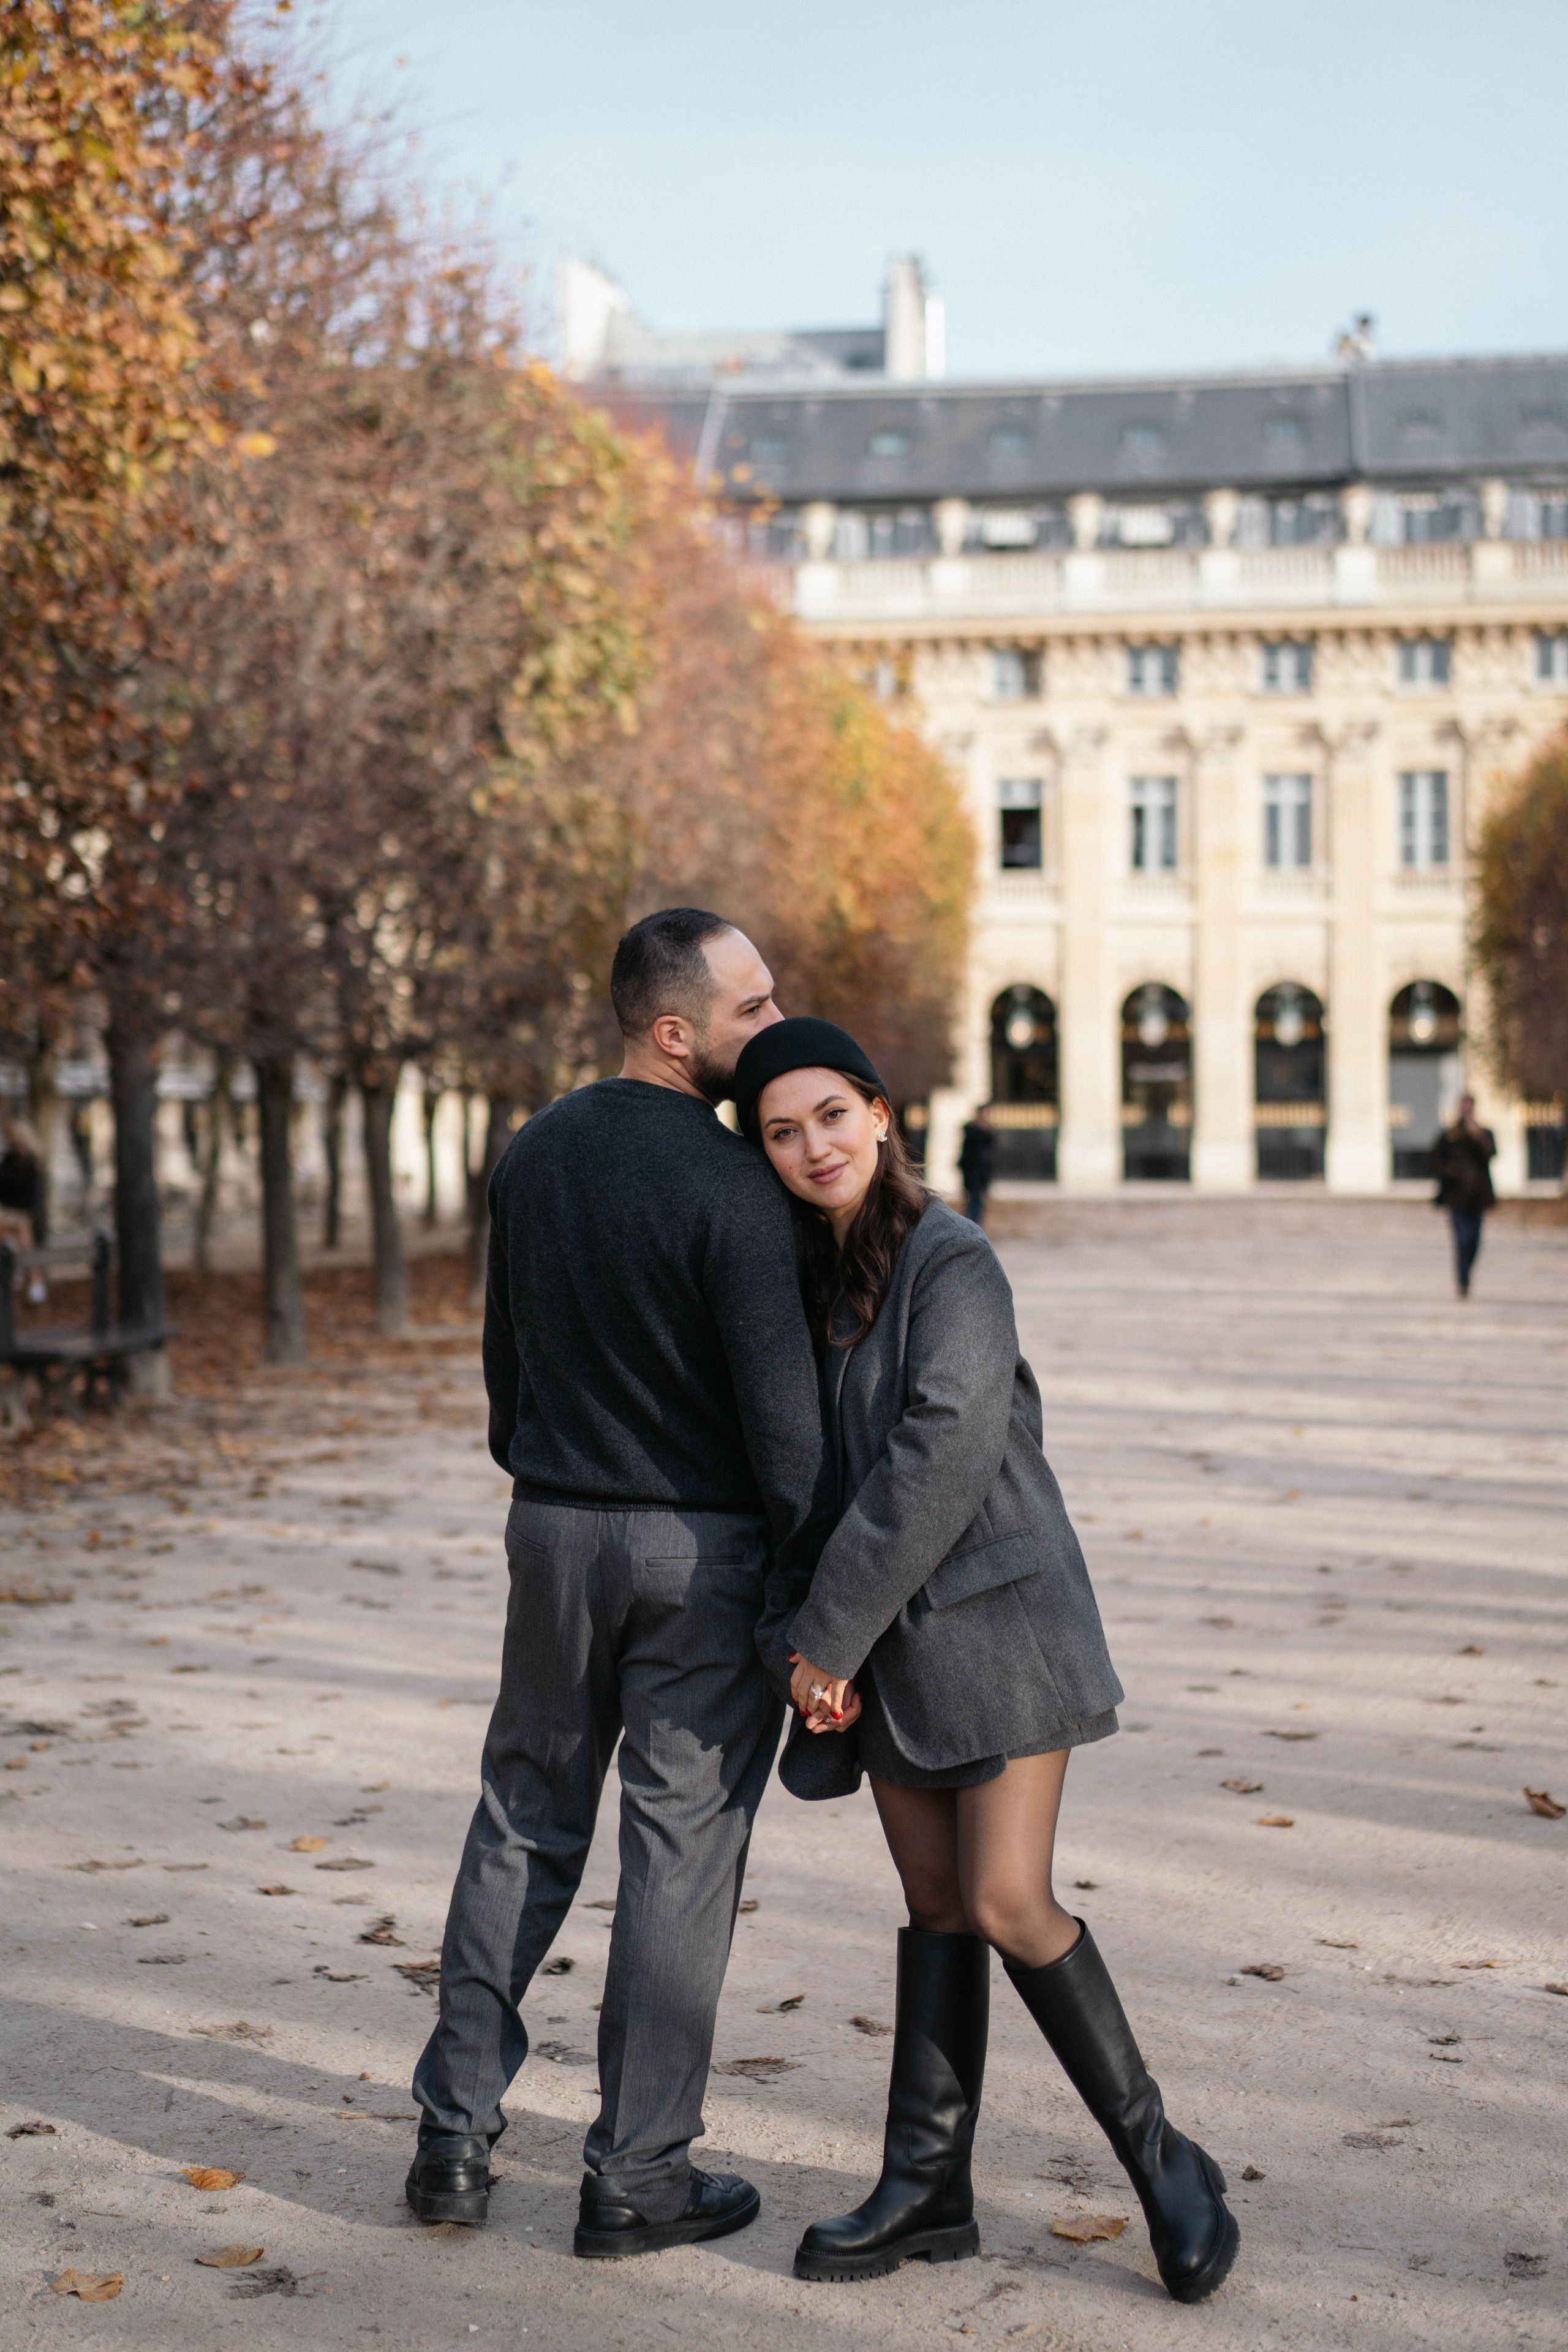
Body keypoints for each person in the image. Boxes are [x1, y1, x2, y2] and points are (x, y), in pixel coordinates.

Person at [735, 1017, 1239, 2307]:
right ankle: (926, 2190)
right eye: (782, 1133)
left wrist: (826, 1635)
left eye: (830, 1116)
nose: (812, 1147)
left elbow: (943, 1453)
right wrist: (809, 1641)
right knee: (938, 1909)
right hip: (886, 1650)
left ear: (879, 1113)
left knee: (1008, 1899)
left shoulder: (950, 1259)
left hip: (1001, 1628)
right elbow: (800, 1481)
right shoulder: (805, 1284)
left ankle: (1164, 2160)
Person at [408, 910, 831, 2260]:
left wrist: (552, 1471)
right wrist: (811, 1593)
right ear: (674, 1031)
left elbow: (505, 1371)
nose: (773, 1024)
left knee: (520, 1818)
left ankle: (451, 2140)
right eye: (751, 1008)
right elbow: (786, 1429)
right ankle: (637, 2176)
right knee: (679, 1854)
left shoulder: (533, 1152)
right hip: (700, 1551)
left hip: (553, 1529)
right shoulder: (737, 1184)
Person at [1431, 1095, 1496, 1298]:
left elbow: (1491, 1154)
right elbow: (1434, 1161)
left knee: (1474, 1242)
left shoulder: (1484, 1134)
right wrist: (1447, 1171)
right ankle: (1463, 1280)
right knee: (1462, 1240)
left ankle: (1466, 1274)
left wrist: (1477, 1136)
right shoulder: (1450, 1136)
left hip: (1478, 1198)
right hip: (1456, 1198)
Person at [957, 1102, 995, 1226]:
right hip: (973, 1172)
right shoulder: (973, 1131)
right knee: (973, 1200)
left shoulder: (984, 1131)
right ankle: (971, 1224)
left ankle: (973, 1224)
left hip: (981, 1172)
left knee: (977, 1200)